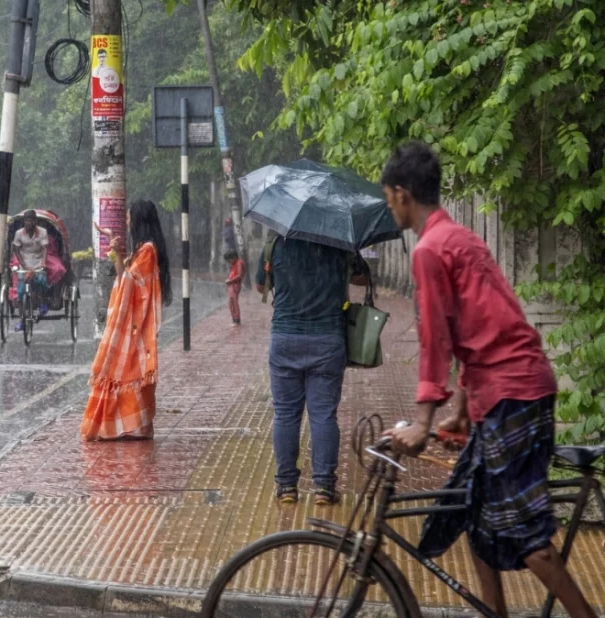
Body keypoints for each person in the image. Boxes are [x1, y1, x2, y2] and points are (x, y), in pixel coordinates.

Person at [382, 141, 596, 618]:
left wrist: (423, 420)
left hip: (512, 393)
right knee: (475, 518)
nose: (389, 206)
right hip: (510, 387)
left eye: (387, 198)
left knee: (528, 538)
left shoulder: (430, 250)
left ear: (400, 195)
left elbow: (435, 338)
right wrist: (459, 409)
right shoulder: (459, 237)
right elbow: (480, 327)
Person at [255, 231, 368, 506]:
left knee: (285, 414)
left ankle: (286, 487)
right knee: (323, 415)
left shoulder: (275, 244)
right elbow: (363, 278)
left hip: (285, 339)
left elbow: (261, 286)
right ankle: (324, 488)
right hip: (327, 340)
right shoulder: (340, 242)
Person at [81, 200, 172, 441]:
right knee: (128, 369)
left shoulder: (148, 251)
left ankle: (135, 426)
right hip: (133, 323)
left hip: (135, 324)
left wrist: (119, 255)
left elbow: (131, 283)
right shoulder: (143, 250)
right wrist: (119, 255)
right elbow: (126, 280)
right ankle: (130, 425)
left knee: (130, 369)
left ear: (139, 221)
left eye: (130, 218)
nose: (128, 222)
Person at [12, 210, 49, 331]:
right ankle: (22, 321)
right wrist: (24, 266)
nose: (29, 223)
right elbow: (16, 250)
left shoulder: (42, 232)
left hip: (38, 261)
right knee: (21, 292)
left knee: (41, 281)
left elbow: (44, 249)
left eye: (31, 220)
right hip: (24, 262)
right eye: (26, 220)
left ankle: (43, 302)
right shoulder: (19, 234)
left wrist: (43, 263)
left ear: (35, 221)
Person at [224, 250, 245, 325]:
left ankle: (236, 319)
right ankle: (235, 318)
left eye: (229, 260)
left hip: (234, 285)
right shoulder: (235, 263)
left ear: (234, 257)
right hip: (232, 284)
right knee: (231, 302)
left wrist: (230, 281)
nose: (229, 262)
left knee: (233, 302)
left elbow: (239, 276)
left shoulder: (239, 263)